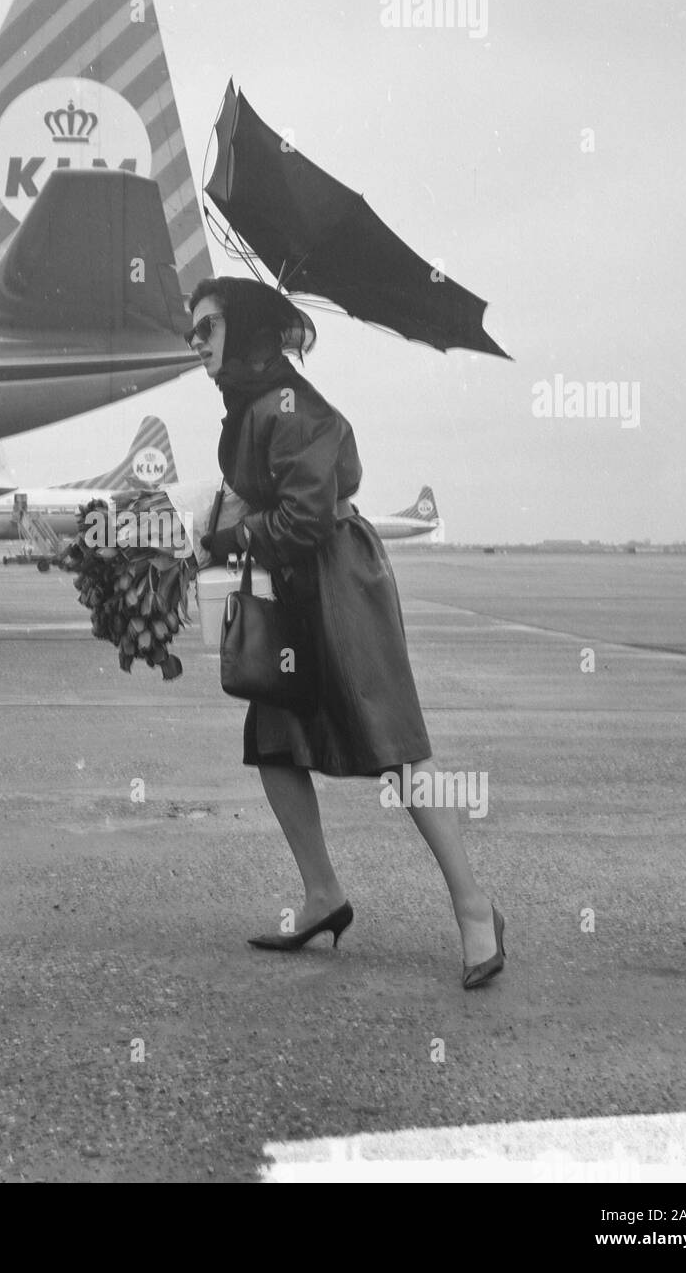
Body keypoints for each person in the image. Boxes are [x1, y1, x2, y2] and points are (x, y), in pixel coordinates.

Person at [190, 276, 505, 987]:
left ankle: (474, 909)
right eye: (194, 333)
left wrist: (225, 544)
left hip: (339, 582)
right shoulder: (248, 407)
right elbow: (262, 501)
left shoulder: (295, 408)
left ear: (241, 332)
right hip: (293, 584)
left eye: (207, 328)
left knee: (393, 746)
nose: (197, 344)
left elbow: (303, 518)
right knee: (274, 742)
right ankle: (321, 895)